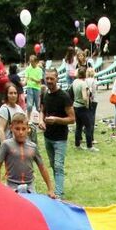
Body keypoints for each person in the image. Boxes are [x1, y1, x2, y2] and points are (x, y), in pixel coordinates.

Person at [0, 113, 56, 197]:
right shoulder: (6, 145)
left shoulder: (33, 147)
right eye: (17, 129)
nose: (21, 132)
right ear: (11, 128)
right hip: (11, 186)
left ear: (28, 129)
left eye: (23, 129)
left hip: (30, 187)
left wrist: (50, 189)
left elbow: (42, 167)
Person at [39, 69, 74, 199]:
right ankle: (58, 189)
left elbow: (72, 119)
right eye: (47, 78)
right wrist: (41, 120)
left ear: (57, 79)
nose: (49, 81)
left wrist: (56, 120)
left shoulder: (64, 96)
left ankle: (58, 194)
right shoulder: (44, 94)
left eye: (51, 79)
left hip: (60, 138)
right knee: (53, 164)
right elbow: (42, 110)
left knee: (58, 166)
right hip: (47, 136)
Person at [72, 66, 98, 151]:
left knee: (78, 126)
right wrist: (87, 105)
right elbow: (84, 97)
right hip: (82, 107)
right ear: (85, 74)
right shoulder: (83, 84)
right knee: (88, 126)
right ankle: (89, 146)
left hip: (75, 105)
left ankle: (77, 144)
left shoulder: (75, 81)